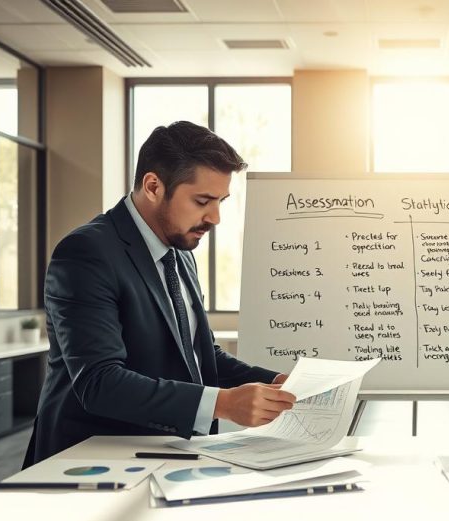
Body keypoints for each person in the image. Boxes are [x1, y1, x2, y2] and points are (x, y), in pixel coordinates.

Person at [24, 121, 296, 465]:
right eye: (202, 201)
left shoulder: (179, 252)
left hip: (166, 457)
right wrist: (224, 404)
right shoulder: (85, 252)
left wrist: (276, 384)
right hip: (88, 464)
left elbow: (202, 357)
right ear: (153, 186)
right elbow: (100, 382)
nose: (215, 217)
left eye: (221, 201)